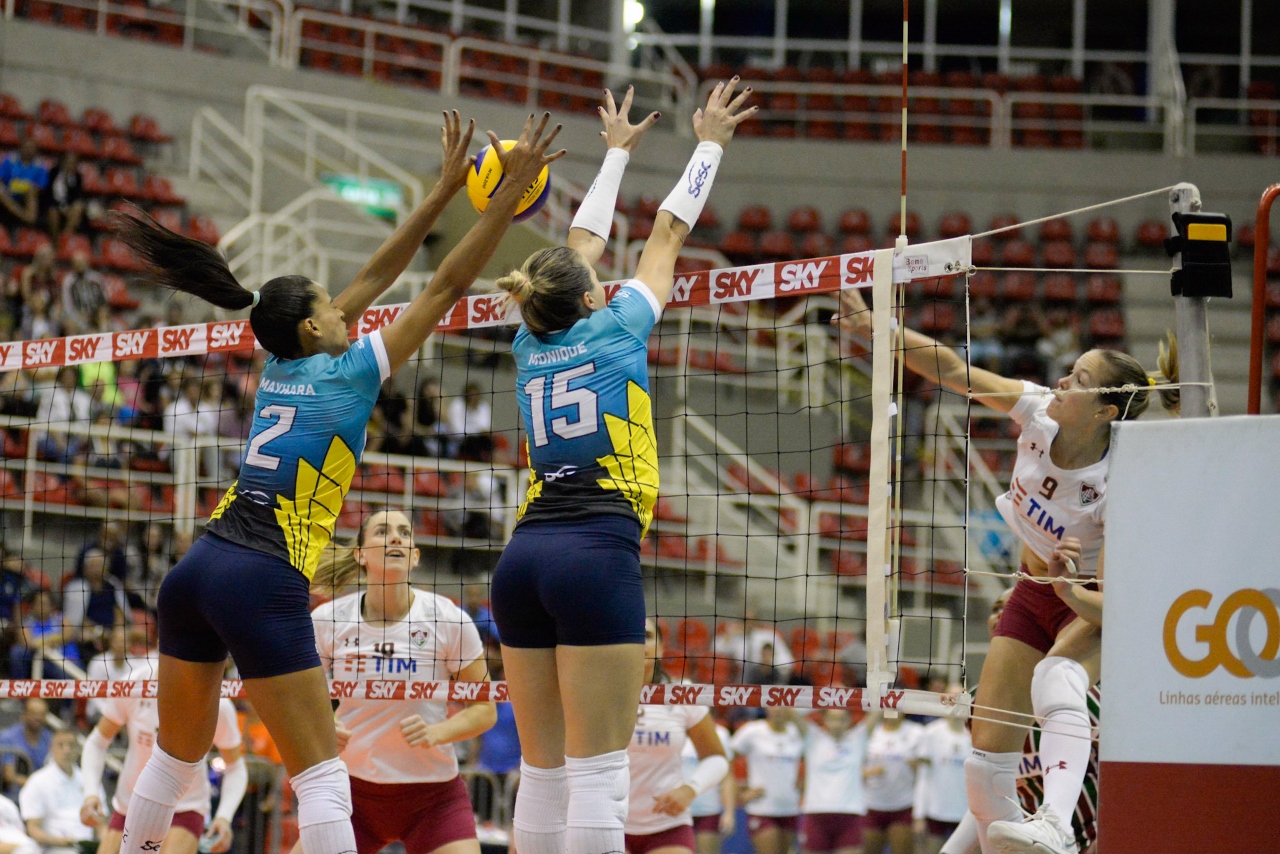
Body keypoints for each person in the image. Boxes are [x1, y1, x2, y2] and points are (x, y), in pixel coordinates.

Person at [110, 111, 562, 854]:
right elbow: (444, 284)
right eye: (330, 304)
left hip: (197, 567)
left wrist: (447, 187)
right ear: (318, 327)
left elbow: (375, 276)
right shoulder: (351, 369)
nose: (345, 305)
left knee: (172, 755)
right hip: (261, 574)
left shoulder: (284, 362)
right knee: (323, 776)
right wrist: (501, 202)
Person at [488, 82, 752, 854]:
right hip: (595, 554)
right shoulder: (620, 326)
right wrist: (710, 142)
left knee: (544, 777)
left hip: (524, 557)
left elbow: (574, 253)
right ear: (596, 296)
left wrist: (611, 155)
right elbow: (668, 231)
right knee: (599, 775)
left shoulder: (530, 339)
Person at [837, 292, 1177, 854]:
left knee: (1057, 679)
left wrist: (1069, 587)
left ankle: (1057, 828)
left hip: (1089, 601)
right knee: (984, 759)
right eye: (1069, 371)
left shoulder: (1121, 482)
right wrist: (879, 328)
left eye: (1080, 377)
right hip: (1032, 590)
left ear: (1104, 411)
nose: (1063, 381)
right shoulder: (1040, 409)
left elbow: (1120, 607)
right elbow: (952, 369)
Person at [310, 508, 497, 854]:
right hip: (349, 793)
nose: (396, 537)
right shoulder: (327, 619)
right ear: (360, 555)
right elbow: (301, 702)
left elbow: (486, 709)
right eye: (383, 531)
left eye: (405, 533)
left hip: (432, 799)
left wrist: (438, 732)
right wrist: (322, 724)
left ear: (414, 557)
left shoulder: (448, 619)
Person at [79, 654, 247, 854]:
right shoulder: (133, 686)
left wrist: (224, 816)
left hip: (184, 807)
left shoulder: (216, 701)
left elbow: (235, 766)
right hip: (129, 805)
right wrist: (90, 793)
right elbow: (97, 741)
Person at [623, 618, 729, 854]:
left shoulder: (681, 692)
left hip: (667, 824)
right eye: (631, 634)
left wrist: (690, 789)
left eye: (647, 636)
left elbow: (717, 758)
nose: (640, 642)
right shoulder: (597, 692)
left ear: (660, 649)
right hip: (608, 821)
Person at [730, 706, 803, 854]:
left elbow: (815, 758)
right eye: (775, 706)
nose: (779, 710)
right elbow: (726, 758)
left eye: (783, 706)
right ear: (767, 708)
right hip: (761, 808)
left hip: (790, 808)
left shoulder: (797, 732)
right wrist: (740, 793)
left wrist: (804, 783)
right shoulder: (752, 731)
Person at [798, 709, 867, 854]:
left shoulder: (858, 737)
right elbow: (791, 712)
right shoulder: (813, 737)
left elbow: (880, 711)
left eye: (842, 719)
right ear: (824, 719)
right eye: (833, 719)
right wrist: (824, 699)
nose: (837, 724)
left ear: (850, 720)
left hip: (849, 815)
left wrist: (851, 700)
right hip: (817, 814)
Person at [18, 728, 97, 854]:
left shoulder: (89, 781)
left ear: (78, 749)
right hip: (54, 848)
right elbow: (33, 829)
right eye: (61, 745)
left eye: (71, 745)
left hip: (88, 846)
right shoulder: (37, 782)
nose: (67, 750)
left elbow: (101, 824)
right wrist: (59, 841)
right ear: (51, 748)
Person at [916, 689, 971, 854]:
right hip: (936, 811)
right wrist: (918, 814)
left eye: (960, 698)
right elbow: (923, 777)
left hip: (967, 813)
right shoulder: (931, 733)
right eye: (952, 698)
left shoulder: (975, 734)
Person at [862, 713, 923, 854]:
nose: (892, 710)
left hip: (902, 804)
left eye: (896, 706)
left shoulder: (916, 732)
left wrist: (915, 765)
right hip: (872, 804)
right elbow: (854, 767)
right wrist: (868, 772)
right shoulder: (872, 731)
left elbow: (926, 771)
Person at [683, 718, 733, 854]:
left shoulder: (720, 734)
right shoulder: (674, 731)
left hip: (708, 810)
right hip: (678, 810)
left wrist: (729, 812)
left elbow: (726, 776)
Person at [0, 701, 52, 799]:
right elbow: (9, 776)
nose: (38, 718)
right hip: (16, 793)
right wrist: (35, 785)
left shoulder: (49, 738)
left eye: (42, 714)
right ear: (24, 715)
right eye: (34, 713)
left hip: (44, 793)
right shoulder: (8, 737)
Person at [0, 138, 46, 229]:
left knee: (31, 191)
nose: (28, 151)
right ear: (20, 148)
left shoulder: (40, 166)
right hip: (9, 192)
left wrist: (26, 187)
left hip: (26, 195)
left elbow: (41, 186)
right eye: (26, 148)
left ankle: (30, 219)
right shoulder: (9, 161)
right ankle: (27, 218)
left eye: (31, 148)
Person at [39, 152, 84, 240]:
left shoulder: (77, 178)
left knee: (78, 207)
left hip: (69, 207)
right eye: (68, 162)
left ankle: (64, 238)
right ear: (63, 162)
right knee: (53, 212)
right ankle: (54, 240)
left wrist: (67, 208)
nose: (70, 165)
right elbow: (48, 195)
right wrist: (61, 207)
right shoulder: (53, 173)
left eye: (73, 163)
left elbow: (77, 196)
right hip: (53, 205)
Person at [61, 252, 106, 335]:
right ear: (73, 265)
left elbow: (103, 302)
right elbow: (68, 307)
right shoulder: (69, 281)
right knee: (70, 325)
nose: (80, 266)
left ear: (87, 263)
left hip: (95, 316)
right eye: (77, 263)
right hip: (77, 316)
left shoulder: (95, 278)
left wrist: (99, 314)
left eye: (82, 262)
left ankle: (104, 339)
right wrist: (81, 318)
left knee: (104, 317)